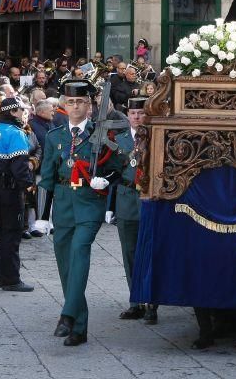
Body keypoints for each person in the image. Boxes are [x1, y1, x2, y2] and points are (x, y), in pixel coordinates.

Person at [38, 80, 125, 346]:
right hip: (64, 203)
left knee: (79, 250)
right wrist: (43, 215)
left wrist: (106, 179)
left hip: (89, 202)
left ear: (89, 105)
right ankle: (80, 326)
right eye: (71, 101)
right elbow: (48, 178)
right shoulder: (55, 136)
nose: (75, 106)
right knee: (65, 263)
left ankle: (66, 315)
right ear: (64, 104)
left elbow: (117, 167)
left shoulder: (102, 135)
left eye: (81, 102)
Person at [105, 97, 154, 323]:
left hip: (148, 197)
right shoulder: (120, 139)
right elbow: (112, 170)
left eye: (140, 113)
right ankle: (136, 302)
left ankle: (152, 302)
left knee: (151, 250)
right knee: (129, 251)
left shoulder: (155, 137)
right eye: (133, 113)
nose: (136, 117)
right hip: (126, 197)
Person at [0, 97, 36, 292]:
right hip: (10, 187)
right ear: (13, 112)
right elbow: (19, 165)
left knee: (5, 231)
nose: (24, 114)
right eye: (22, 110)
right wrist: (28, 186)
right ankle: (11, 278)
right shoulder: (16, 133)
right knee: (12, 232)